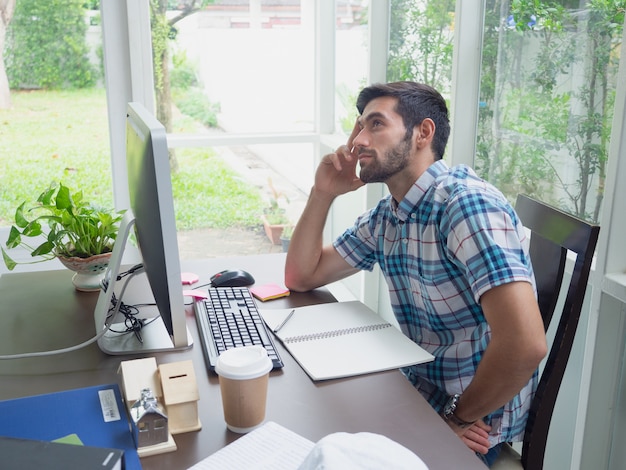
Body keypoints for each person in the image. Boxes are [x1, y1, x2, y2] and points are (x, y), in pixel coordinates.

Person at [284, 81, 547, 467]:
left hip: (474, 419)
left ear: (423, 133)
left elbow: (526, 345)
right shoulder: (391, 213)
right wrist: (322, 193)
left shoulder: (465, 205)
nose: (357, 140)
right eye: (358, 126)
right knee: (309, 433)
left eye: (375, 124)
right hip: (420, 391)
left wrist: (457, 418)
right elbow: (302, 276)